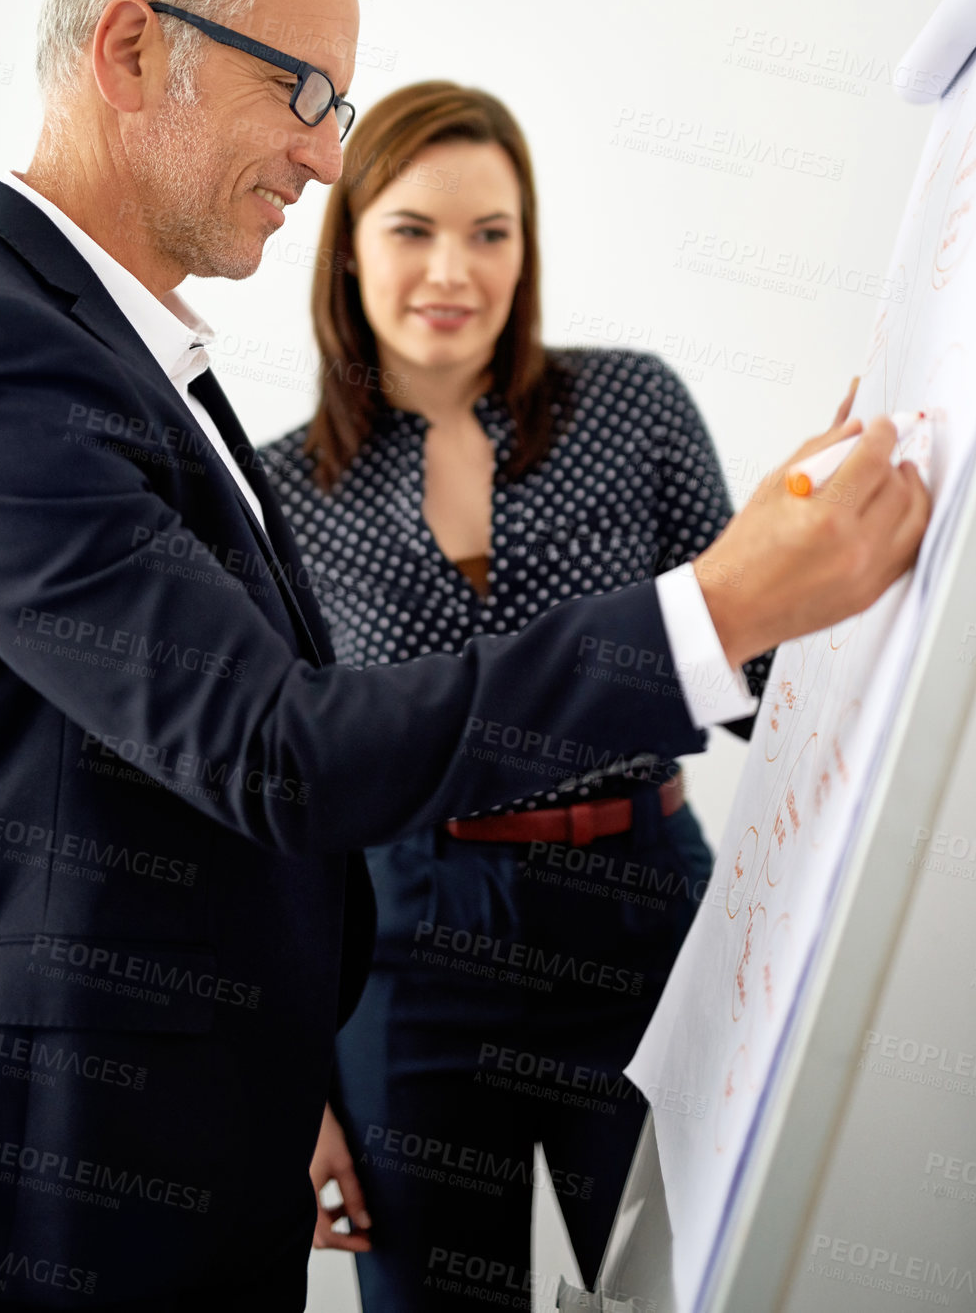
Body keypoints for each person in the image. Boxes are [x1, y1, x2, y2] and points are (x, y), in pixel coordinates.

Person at [0, 0, 929, 1312]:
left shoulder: (119, 358)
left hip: (192, 1114)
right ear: (129, 50)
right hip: (59, 1170)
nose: (320, 158)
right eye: (302, 89)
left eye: (337, 109)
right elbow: (281, 746)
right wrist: (715, 604)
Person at [262, 82, 846, 1307]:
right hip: (404, 947)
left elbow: (756, 669)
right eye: (414, 228)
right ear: (350, 241)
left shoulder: (632, 407)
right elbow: (276, 794)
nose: (453, 269)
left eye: (492, 232)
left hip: (641, 912)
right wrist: (296, 1084)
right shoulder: (278, 497)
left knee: (690, 1279)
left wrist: (834, 544)